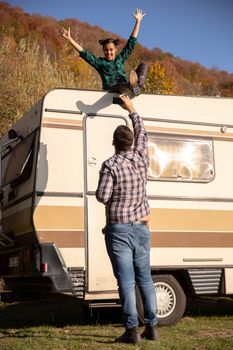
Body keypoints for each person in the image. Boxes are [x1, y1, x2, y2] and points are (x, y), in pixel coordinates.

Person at [96, 95, 158, 344]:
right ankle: (152, 327)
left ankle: (132, 331)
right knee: (145, 278)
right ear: (131, 142)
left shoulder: (110, 164)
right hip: (142, 228)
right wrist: (131, 108)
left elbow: (102, 196)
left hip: (119, 229)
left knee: (126, 280)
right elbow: (142, 130)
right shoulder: (142, 158)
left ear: (114, 143)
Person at [59, 9, 148, 97]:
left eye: (111, 50)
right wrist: (70, 39)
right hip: (112, 89)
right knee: (121, 86)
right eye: (106, 50)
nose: (108, 52)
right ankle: (132, 88)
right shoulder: (100, 63)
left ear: (115, 49)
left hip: (125, 86)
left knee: (144, 65)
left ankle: (137, 86)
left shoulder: (120, 59)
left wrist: (138, 22)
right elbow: (85, 54)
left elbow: (131, 44)